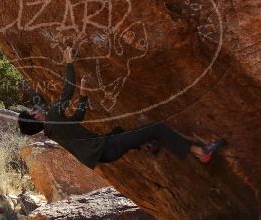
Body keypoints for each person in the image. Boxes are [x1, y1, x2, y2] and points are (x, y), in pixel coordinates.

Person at [17, 48, 225, 168]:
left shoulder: (54, 130)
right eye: (34, 112)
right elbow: (66, 91)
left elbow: (77, 119)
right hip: (107, 148)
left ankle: (149, 145)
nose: (38, 110)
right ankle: (200, 152)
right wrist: (69, 63)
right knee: (158, 128)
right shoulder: (52, 118)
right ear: (35, 118)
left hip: (105, 153)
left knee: (120, 132)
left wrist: (84, 95)